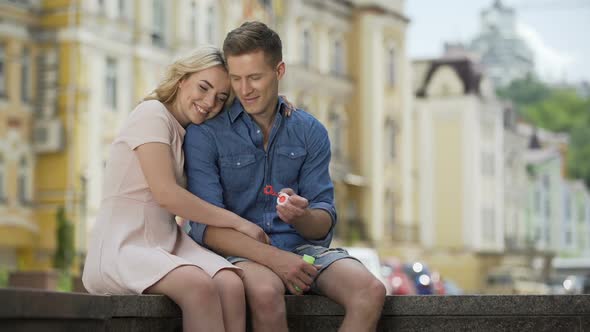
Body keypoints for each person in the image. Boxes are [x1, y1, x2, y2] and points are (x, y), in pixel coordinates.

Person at [184, 22, 386, 332]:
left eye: (254, 77)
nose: (244, 89)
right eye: (236, 79)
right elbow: (205, 227)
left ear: (279, 71)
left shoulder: (309, 131)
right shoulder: (206, 134)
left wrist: (301, 216)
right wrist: (274, 259)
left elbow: (324, 218)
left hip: (302, 254)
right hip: (239, 255)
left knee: (370, 291)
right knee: (266, 293)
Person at [82, 46, 271, 332]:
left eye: (221, 98)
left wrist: (278, 106)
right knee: (197, 285)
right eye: (203, 88)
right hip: (123, 245)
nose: (210, 103)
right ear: (182, 79)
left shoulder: (191, 133)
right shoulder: (151, 114)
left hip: (167, 242)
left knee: (230, 282)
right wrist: (238, 223)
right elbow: (166, 194)